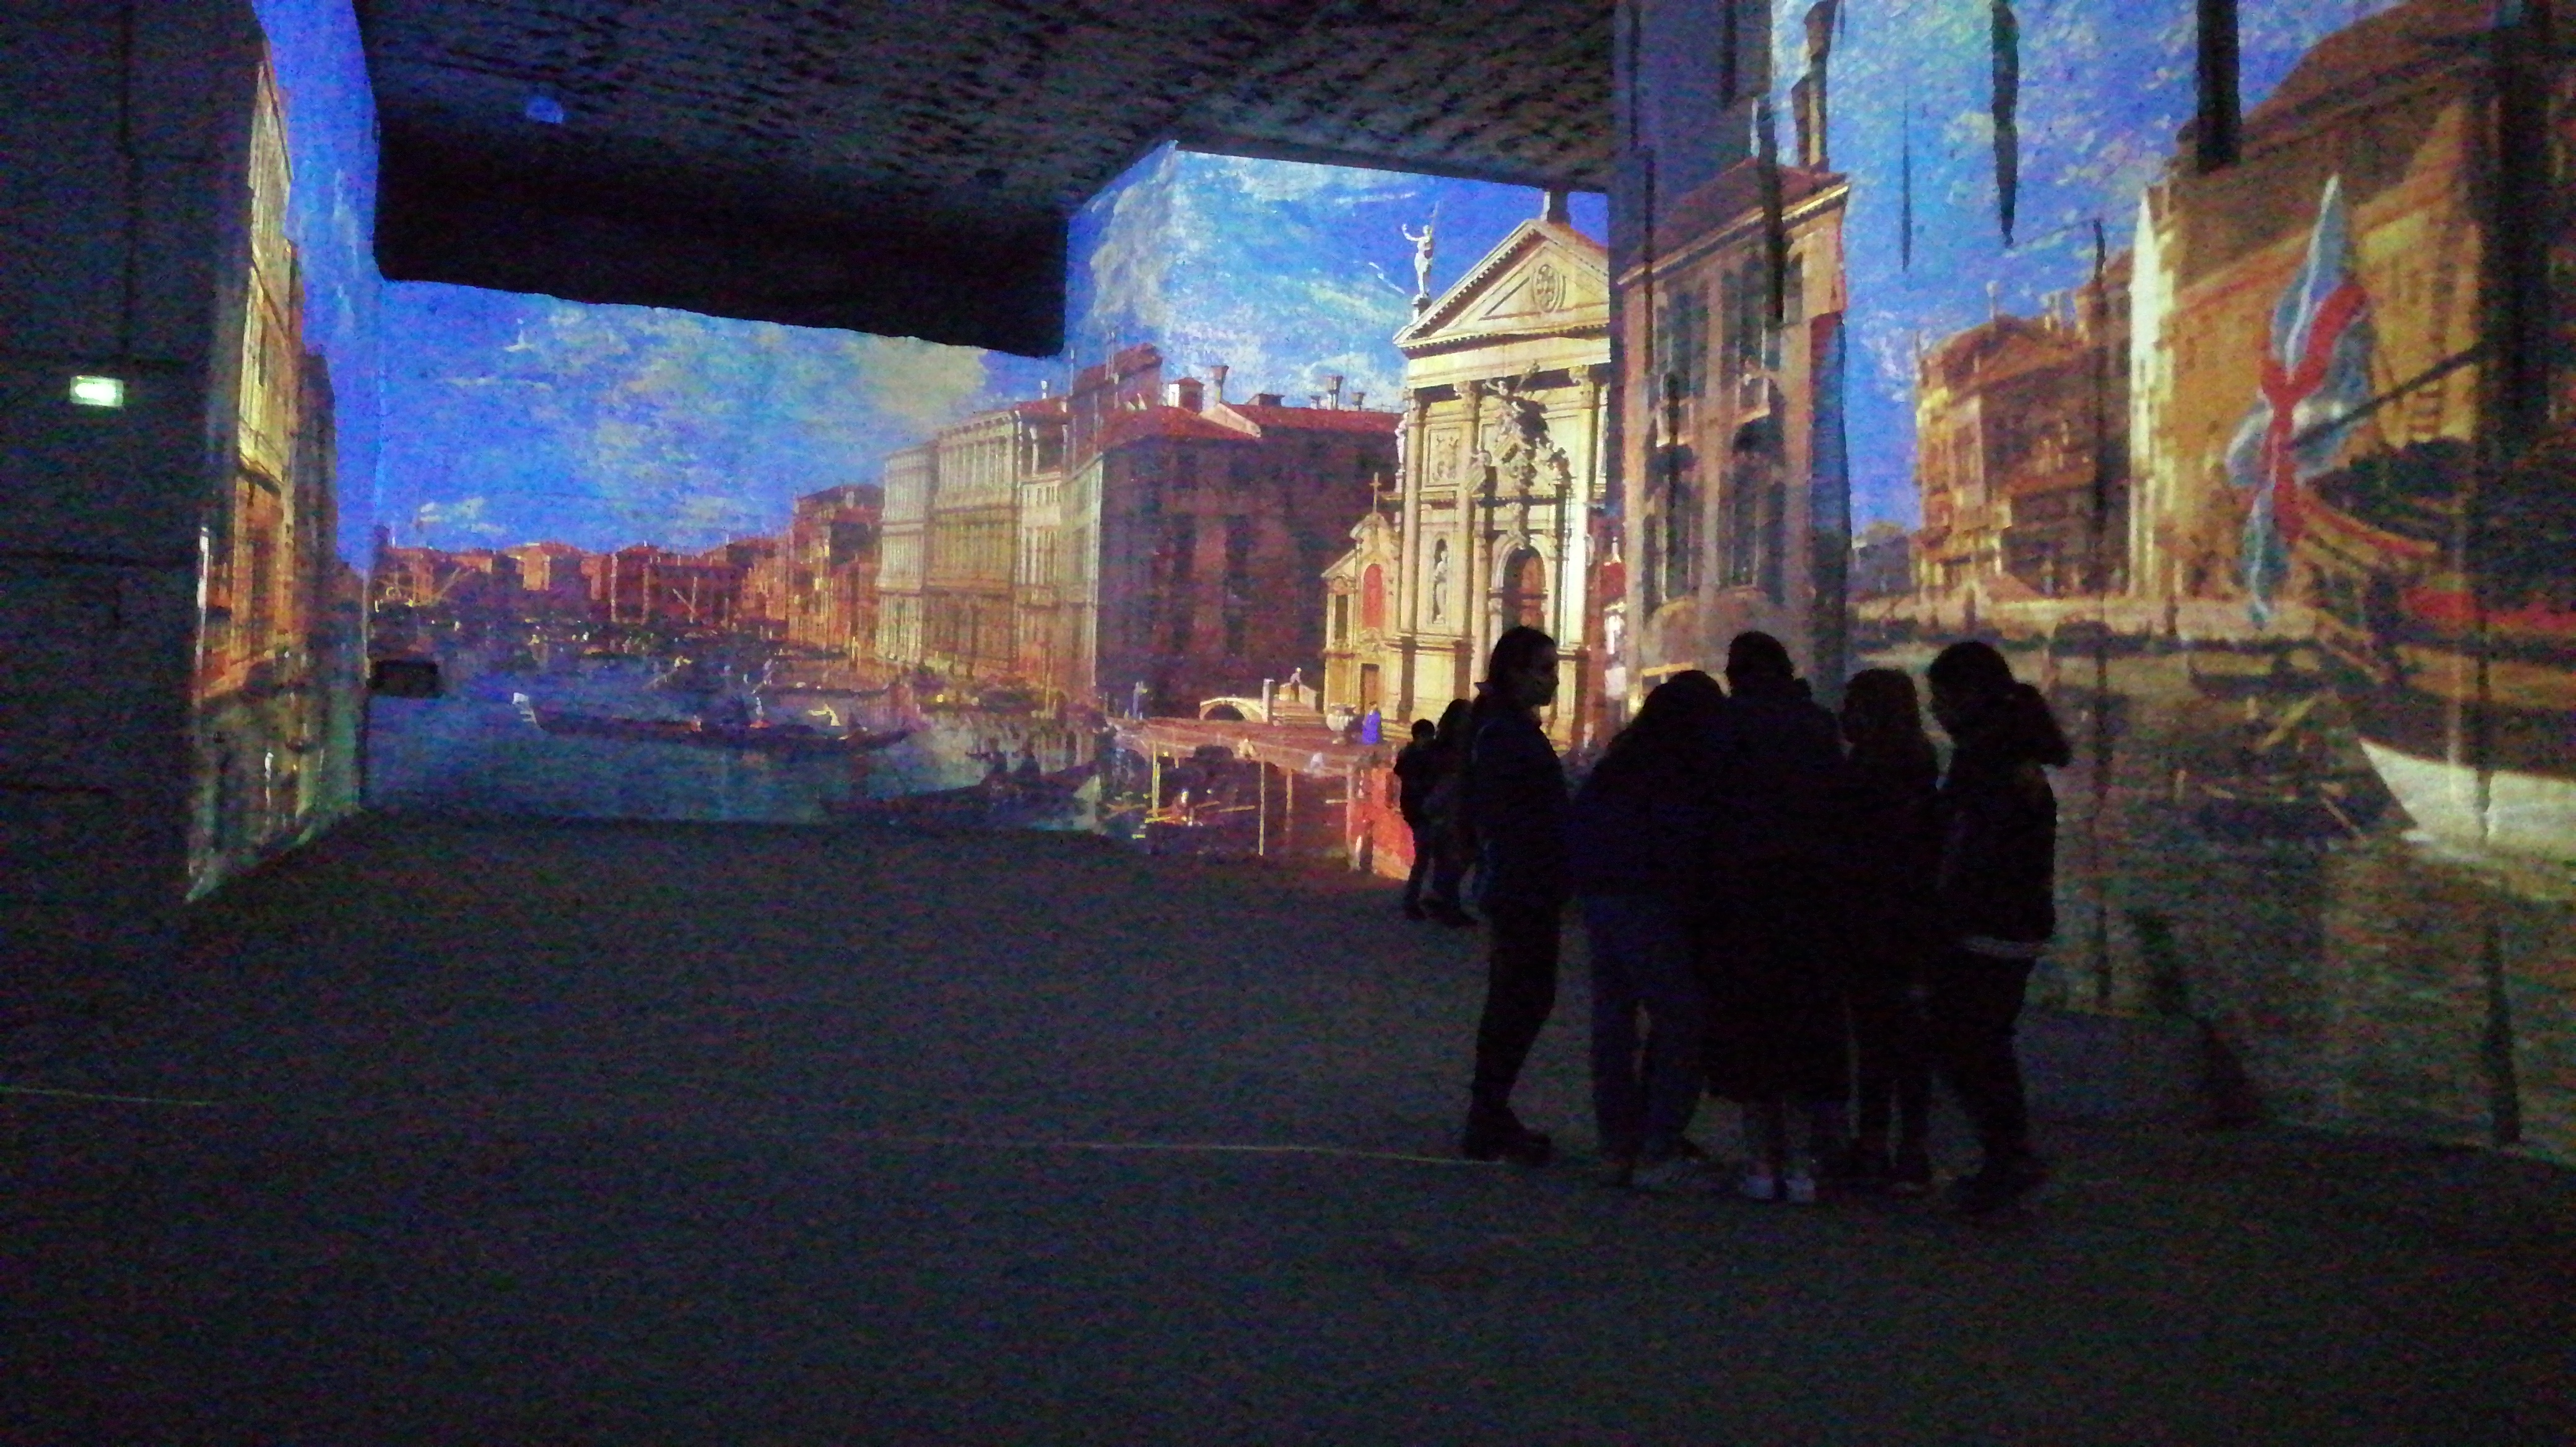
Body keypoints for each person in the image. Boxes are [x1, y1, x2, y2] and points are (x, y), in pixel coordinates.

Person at [1701, 631, 1849, 1204]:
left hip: (1745, 897)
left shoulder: (1727, 725)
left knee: (1753, 1029)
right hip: (1812, 895)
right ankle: (1808, 1165)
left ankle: (1763, 1163)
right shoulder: (1817, 725)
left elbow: (1712, 811)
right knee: (1806, 1030)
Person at [1925, 639, 2071, 1215]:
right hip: (2018, 918)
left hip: (1984, 921)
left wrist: (1943, 916)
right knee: (1984, 1042)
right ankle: (2007, 1156)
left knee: (1967, 1043)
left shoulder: (1983, 759)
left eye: (1940, 698)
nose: (1935, 710)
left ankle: (2007, 1156)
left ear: (1966, 696)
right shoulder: (2016, 755)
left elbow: (1966, 848)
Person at [1570, 671, 1726, 1190]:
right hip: (1651, 900)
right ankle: (1659, 1147)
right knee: (1682, 1021)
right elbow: (1686, 843)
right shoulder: (1681, 768)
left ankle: (1617, 1146)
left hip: (1603, 897)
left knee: (1614, 1025)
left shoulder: (1622, 760)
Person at [1458, 626, 1570, 1165]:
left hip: (1521, 880)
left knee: (1518, 999)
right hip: (1523, 883)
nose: (1554, 680)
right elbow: (1514, 813)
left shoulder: (1504, 728)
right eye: (1544, 669)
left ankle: (1491, 1114)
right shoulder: (1506, 734)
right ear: (1514, 672)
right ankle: (1488, 1116)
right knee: (1520, 1000)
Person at [1835, 668, 1942, 1196]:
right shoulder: (1921, 764)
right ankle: (1910, 1151)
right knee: (1908, 1043)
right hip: (1911, 919)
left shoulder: (1865, 769)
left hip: (1870, 918)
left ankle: (1874, 1143)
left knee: (1876, 1041)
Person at [1417, 699, 1477, 927]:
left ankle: (1444, 902)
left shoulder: (1447, 745)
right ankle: (1447, 905)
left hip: (1448, 807)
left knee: (1451, 858)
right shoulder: (1453, 748)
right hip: (1450, 807)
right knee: (1453, 857)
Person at [1393, 719, 1442, 919]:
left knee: (1428, 857)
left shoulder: (1412, 755)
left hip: (1419, 810)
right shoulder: (1415, 758)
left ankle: (1420, 899)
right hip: (1420, 811)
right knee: (1424, 857)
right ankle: (1412, 901)